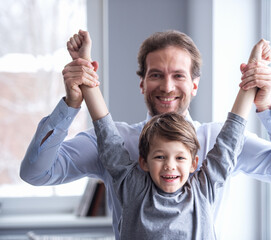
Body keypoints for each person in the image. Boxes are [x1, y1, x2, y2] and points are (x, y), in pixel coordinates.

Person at [20, 30, 271, 238]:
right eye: (156, 74)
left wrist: (265, 106)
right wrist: (72, 102)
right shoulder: (115, 144)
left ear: (194, 84)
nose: (168, 87)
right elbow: (35, 173)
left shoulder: (216, 145)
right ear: (143, 83)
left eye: (179, 75)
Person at [78, 28, 257, 238]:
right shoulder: (132, 187)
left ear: (194, 163)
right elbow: (105, 130)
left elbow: (231, 136)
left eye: (180, 157)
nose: (170, 165)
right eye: (160, 156)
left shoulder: (203, 189)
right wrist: (84, 67)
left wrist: (252, 73)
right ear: (143, 162)